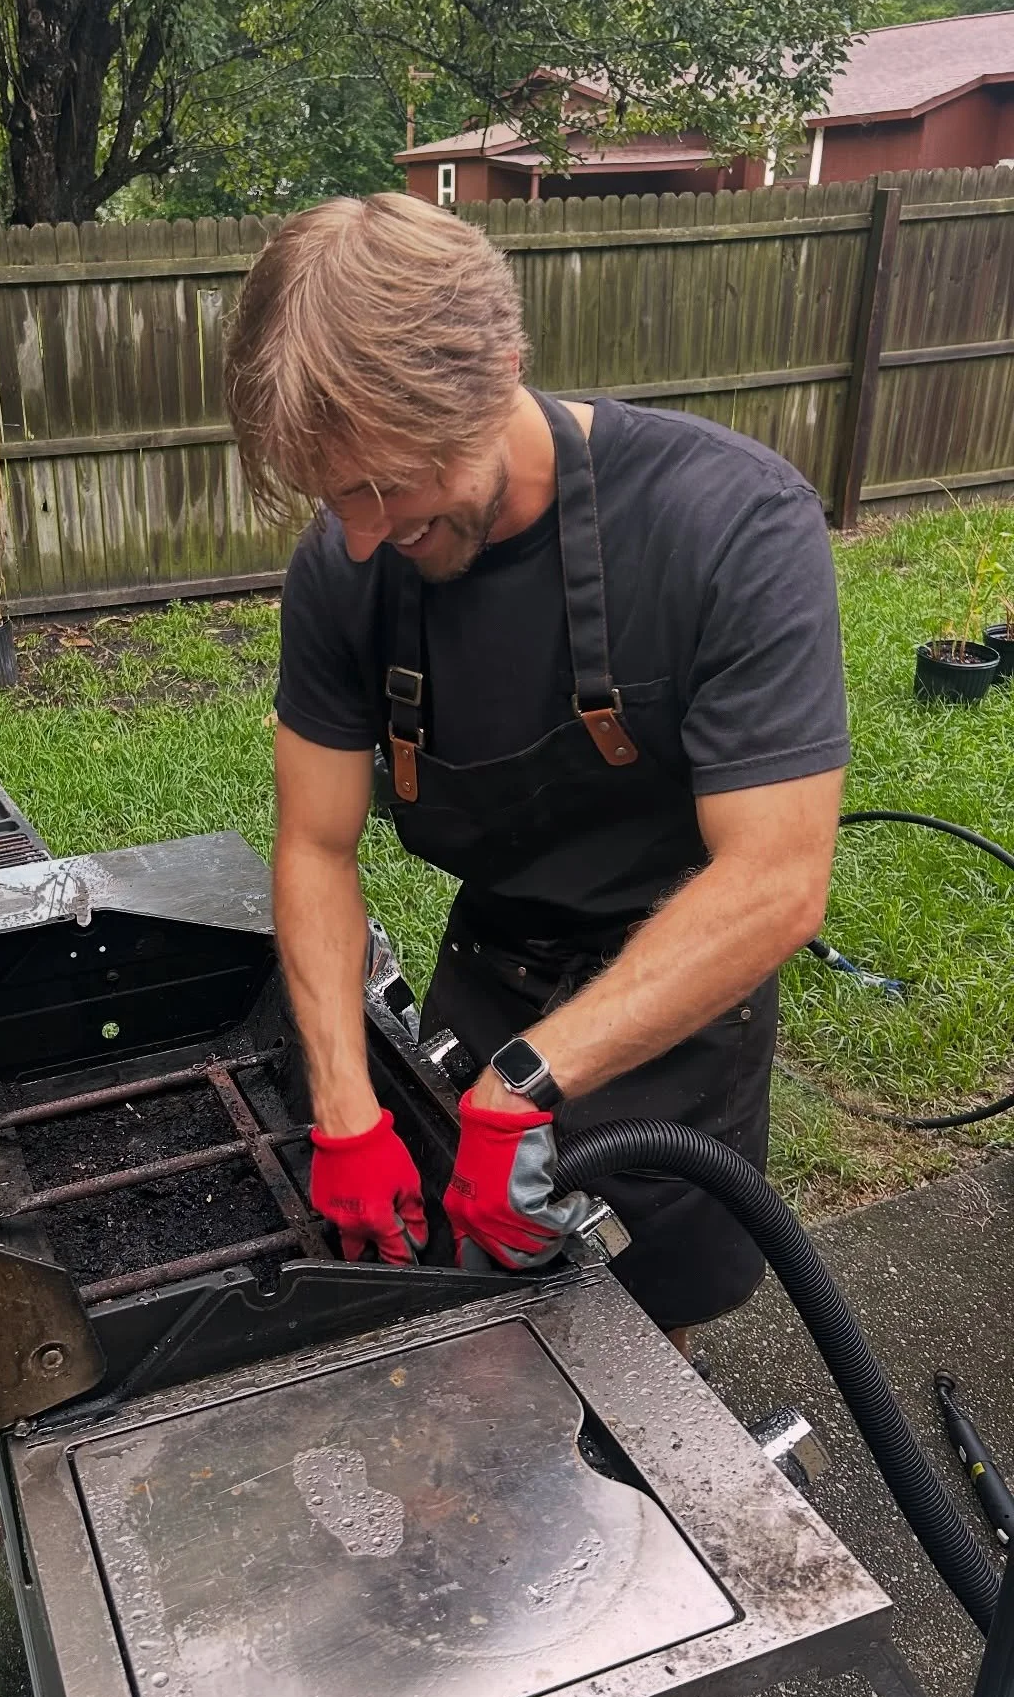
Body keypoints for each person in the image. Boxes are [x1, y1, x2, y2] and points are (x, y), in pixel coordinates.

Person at [222, 192, 849, 1353]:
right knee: (478, 1327)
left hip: (681, 996)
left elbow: (775, 879)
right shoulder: (345, 569)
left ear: (500, 367)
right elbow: (314, 844)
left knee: (646, 1334)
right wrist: (345, 1106)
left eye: (386, 488)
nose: (360, 536)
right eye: (335, 498)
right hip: (493, 969)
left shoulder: (728, 525)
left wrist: (530, 1083)